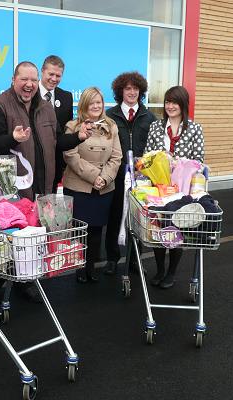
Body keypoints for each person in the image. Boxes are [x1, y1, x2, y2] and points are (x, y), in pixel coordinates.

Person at [0, 61, 87, 302]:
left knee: (33, 234)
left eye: (32, 80)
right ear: (13, 80)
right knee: (6, 236)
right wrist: (13, 137)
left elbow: (57, 141)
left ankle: (26, 281)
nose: (29, 85)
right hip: (12, 190)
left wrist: (77, 138)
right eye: (23, 79)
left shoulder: (46, 108)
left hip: (42, 186)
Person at [145, 85, 205, 289]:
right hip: (158, 188)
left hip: (182, 189)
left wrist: (178, 162)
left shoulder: (195, 129)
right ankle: (160, 269)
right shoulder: (155, 127)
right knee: (159, 228)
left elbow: (199, 160)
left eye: (174, 102)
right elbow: (147, 156)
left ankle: (171, 272)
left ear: (183, 104)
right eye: (167, 102)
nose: (170, 106)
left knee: (176, 227)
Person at [63, 87, 122, 283]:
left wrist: (104, 178)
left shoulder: (111, 126)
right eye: (92, 102)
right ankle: (80, 268)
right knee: (81, 231)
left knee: (97, 230)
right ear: (84, 105)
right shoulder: (73, 126)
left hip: (104, 187)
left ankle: (91, 268)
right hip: (79, 186)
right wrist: (94, 176)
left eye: (99, 102)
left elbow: (116, 157)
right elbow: (70, 155)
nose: (96, 106)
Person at [104, 71, 157, 275]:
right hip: (116, 176)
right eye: (128, 88)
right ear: (120, 91)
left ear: (141, 91)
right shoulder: (110, 116)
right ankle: (111, 258)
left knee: (138, 219)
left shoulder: (149, 117)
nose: (132, 92)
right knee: (114, 216)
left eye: (135, 88)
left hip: (141, 179)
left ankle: (135, 259)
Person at [39, 55, 73, 192]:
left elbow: (66, 130)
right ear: (42, 71)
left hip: (56, 165)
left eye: (58, 75)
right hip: (33, 164)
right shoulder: (29, 93)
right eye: (51, 74)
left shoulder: (66, 97)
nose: (54, 79)